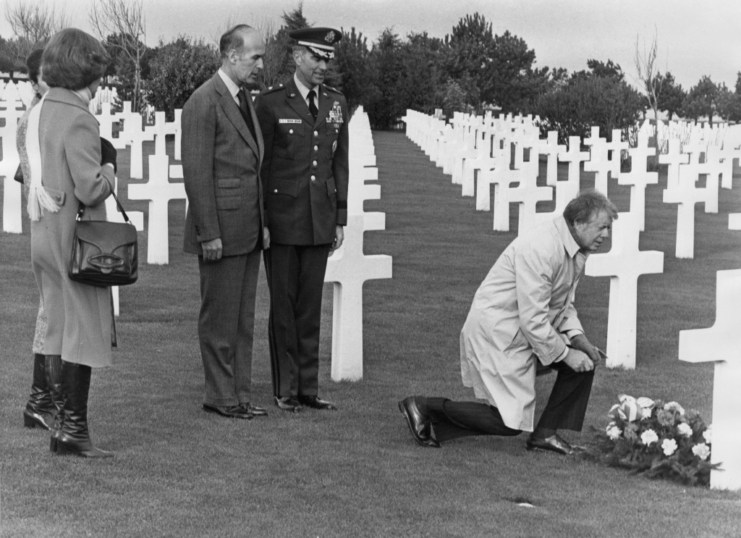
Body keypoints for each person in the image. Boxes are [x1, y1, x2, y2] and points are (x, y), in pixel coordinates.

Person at [399, 190, 617, 455]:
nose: (606, 235)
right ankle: (423, 407)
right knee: (508, 423)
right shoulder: (542, 248)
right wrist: (566, 354)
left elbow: (562, 304)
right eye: (602, 227)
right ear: (579, 223)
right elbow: (533, 319)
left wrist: (578, 341)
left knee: (582, 363)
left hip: (523, 330)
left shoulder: (574, 246)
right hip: (498, 333)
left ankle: (545, 435)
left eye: (609, 228)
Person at [29, 29, 117, 457]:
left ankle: (60, 424)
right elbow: (91, 188)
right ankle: (73, 430)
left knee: (56, 330)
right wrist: (111, 168)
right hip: (75, 241)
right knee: (81, 330)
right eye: (98, 71)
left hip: (44, 235)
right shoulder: (80, 117)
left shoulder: (41, 110)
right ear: (86, 70)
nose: (101, 81)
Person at [255, 27, 348, 412]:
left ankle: (308, 388)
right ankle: (286, 389)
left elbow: (338, 163)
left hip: (319, 219)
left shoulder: (335, 101)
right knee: (284, 306)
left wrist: (339, 216)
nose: (323, 65)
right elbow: (260, 167)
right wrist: (261, 220)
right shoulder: (272, 102)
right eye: (316, 57)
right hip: (282, 220)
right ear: (297, 57)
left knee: (310, 308)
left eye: (328, 58)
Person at [182, 24, 269, 420]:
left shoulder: (244, 98)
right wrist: (209, 233)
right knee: (219, 317)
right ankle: (220, 396)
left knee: (242, 320)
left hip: (248, 229)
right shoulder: (204, 101)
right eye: (255, 57)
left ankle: (240, 394)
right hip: (221, 229)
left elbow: (252, 166)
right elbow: (197, 173)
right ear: (232, 55)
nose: (261, 64)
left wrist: (262, 223)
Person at [17, 49, 55, 432]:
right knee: (49, 310)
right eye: (47, 76)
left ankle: (48, 399)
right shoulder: (34, 120)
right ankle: (39, 400)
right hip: (45, 221)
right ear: (34, 81)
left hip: (53, 222)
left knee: (56, 311)